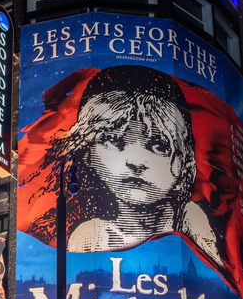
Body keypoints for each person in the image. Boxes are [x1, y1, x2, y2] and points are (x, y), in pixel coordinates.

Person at [39, 65, 221, 265]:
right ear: (88, 151)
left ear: (184, 161)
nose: (136, 162)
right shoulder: (91, 235)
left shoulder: (198, 229)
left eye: (158, 145)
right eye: (113, 140)